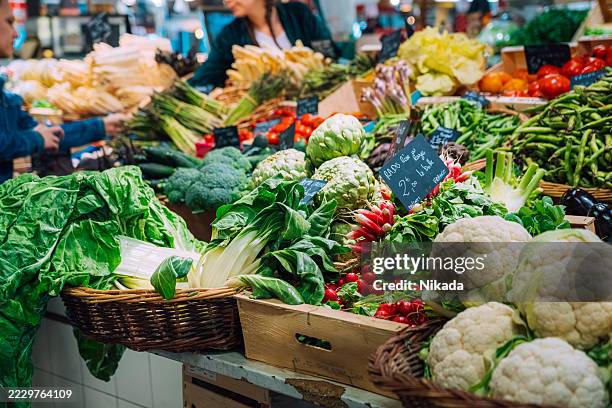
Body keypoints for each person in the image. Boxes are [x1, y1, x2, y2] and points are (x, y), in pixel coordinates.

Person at [0, 0, 126, 183]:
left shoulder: (7, 101)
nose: (16, 33)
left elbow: (51, 135)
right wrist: (36, 139)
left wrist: (103, 125)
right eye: (9, 22)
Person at [189, 0, 335, 89]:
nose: (226, 1)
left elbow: (328, 53)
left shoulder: (299, 14)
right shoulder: (230, 35)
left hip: (315, 100)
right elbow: (207, 74)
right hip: (268, 116)